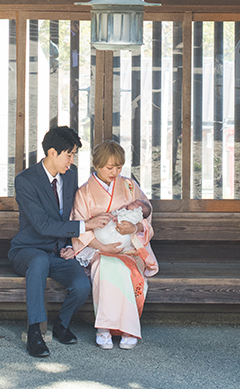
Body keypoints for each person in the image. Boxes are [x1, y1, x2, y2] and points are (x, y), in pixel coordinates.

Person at [9, 125, 113, 358]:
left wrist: (71, 244)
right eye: (69, 154)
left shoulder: (71, 174)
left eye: (74, 154)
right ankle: (35, 331)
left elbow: (71, 212)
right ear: (52, 152)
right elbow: (43, 225)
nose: (72, 160)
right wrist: (87, 225)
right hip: (27, 250)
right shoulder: (25, 181)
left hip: (58, 251)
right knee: (37, 262)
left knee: (81, 285)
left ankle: (62, 325)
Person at [72, 140, 158, 349]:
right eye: (109, 167)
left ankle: (129, 328)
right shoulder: (84, 192)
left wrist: (135, 228)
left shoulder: (129, 186)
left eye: (118, 167)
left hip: (129, 247)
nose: (114, 172)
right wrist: (103, 248)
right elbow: (78, 225)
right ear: (96, 165)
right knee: (106, 267)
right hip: (99, 247)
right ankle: (104, 328)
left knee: (127, 270)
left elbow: (146, 213)